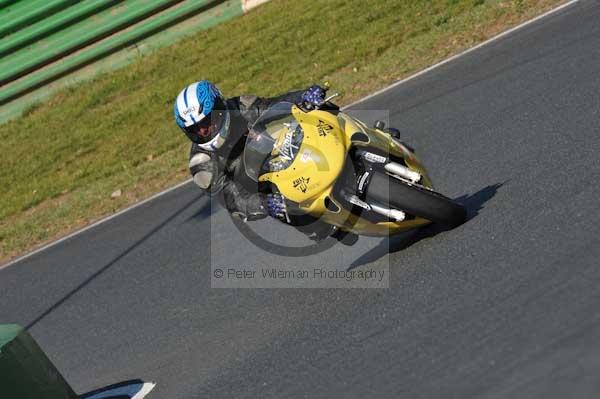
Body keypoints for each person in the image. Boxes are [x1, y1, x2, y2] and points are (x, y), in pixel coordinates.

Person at [173, 80, 337, 241]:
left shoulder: (239, 107)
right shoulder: (201, 165)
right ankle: (310, 223)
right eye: (194, 129)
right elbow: (233, 200)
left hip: (273, 151)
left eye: (206, 122)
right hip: (255, 185)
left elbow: (274, 105)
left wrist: (304, 95)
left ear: (220, 109)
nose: (203, 131)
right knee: (314, 226)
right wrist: (264, 204)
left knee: (316, 115)